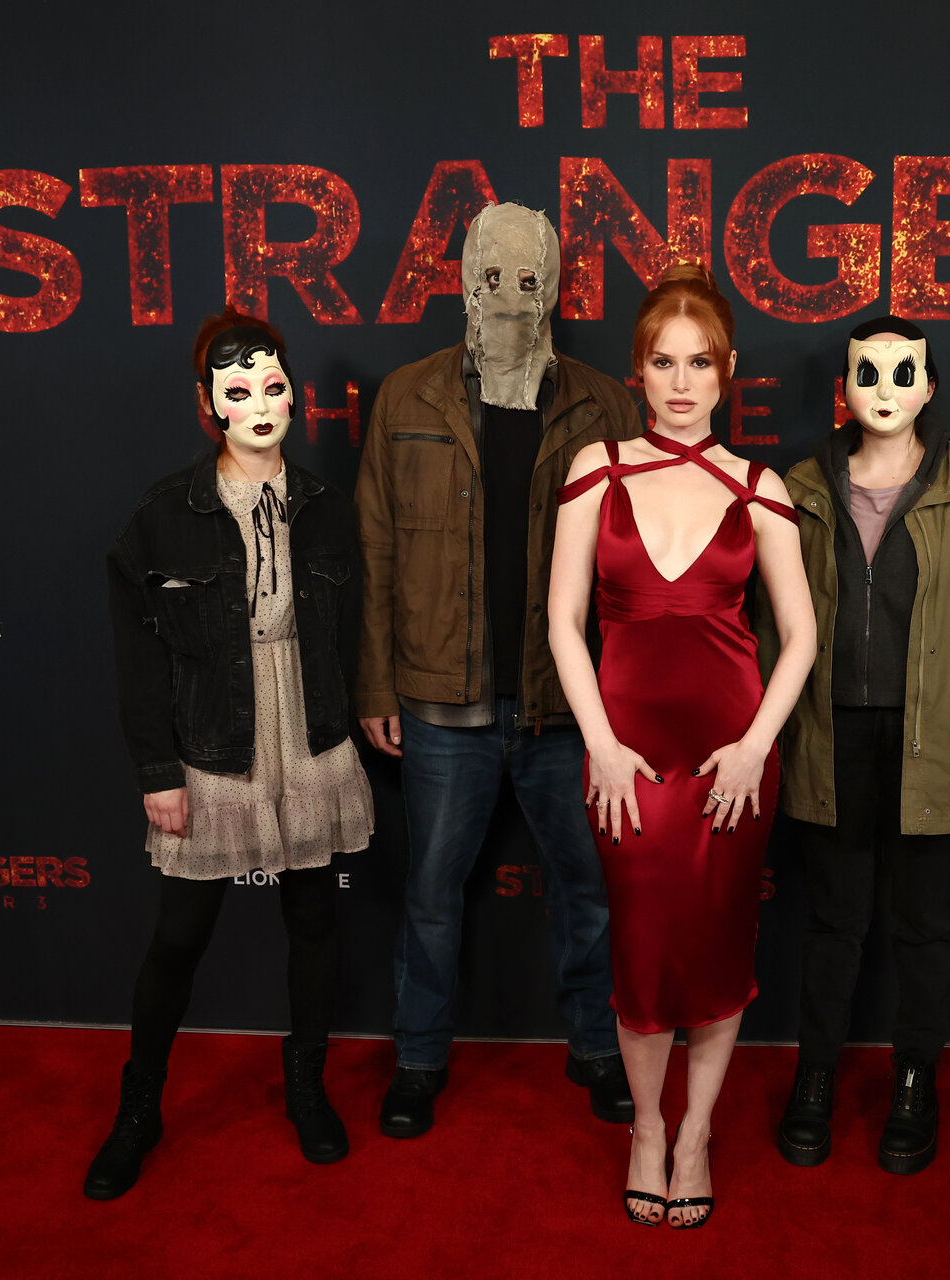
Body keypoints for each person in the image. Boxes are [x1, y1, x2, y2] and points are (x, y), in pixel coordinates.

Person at [354, 202, 643, 1138]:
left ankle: (597, 1046)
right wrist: (377, 685)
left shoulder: (604, 403)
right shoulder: (408, 397)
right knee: (432, 896)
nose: (511, 296)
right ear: (463, 279)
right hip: (443, 700)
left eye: (529, 278)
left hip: (567, 705)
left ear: (554, 284)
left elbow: (633, 564)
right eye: (491, 275)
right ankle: (419, 1057)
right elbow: (377, 551)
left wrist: (623, 699)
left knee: (589, 891)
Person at [549, 263, 817, 1228]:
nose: (681, 382)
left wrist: (752, 748)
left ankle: (695, 1133)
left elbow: (802, 637)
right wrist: (603, 745)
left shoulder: (759, 486)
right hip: (624, 760)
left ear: (727, 370)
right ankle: (647, 1131)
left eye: (700, 363)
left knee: (716, 945)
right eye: (663, 362)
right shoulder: (597, 469)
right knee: (644, 951)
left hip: (729, 759)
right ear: (638, 369)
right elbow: (562, 622)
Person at [90, 309, 374, 1199]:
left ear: (295, 398)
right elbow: (139, 657)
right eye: (237, 389)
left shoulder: (329, 509)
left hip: (312, 731)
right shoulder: (161, 518)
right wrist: (158, 771)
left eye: (273, 386)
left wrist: (366, 712)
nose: (257, 403)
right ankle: (140, 1107)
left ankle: (306, 1087)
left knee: (315, 921)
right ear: (208, 405)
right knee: (180, 935)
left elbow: (356, 631)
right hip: (214, 740)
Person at [757, 316, 950, 1176]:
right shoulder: (802, 485)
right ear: (843, 387)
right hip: (829, 733)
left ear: (929, 384)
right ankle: (815, 1077)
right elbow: (770, 619)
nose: (885, 390)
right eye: (867, 374)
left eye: (902, 373)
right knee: (834, 921)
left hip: (937, 736)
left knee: (925, 926)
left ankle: (916, 1081)